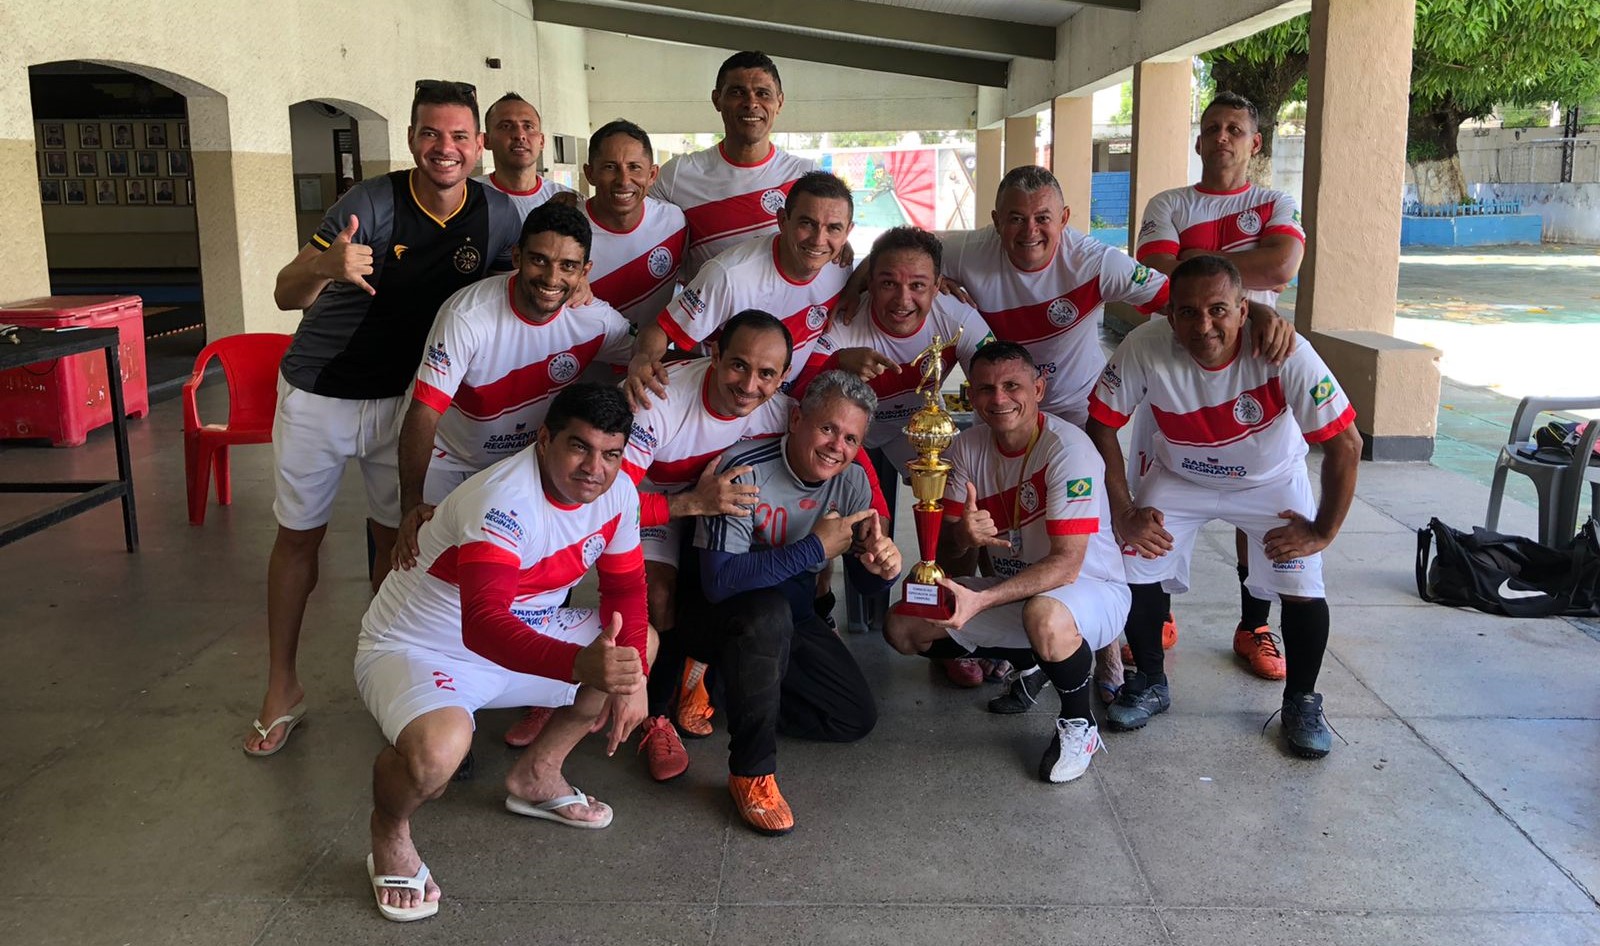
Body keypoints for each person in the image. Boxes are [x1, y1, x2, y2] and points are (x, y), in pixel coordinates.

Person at [245, 79, 521, 757]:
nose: (445, 148)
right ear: (411, 139)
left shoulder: (497, 215)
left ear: (480, 146)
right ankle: (281, 687)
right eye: (431, 133)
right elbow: (285, 294)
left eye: (459, 136)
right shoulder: (369, 203)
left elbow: (513, 295)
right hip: (321, 393)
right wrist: (324, 264)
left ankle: (387, 678)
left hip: (407, 403)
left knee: (397, 544)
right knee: (299, 539)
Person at [358, 384, 652, 922]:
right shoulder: (503, 499)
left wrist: (636, 679)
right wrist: (579, 664)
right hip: (422, 648)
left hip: (521, 633)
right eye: (579, 447)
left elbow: (626, 590)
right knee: (437, 756)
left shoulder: (619, 493)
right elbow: (483, 626)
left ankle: (539, 774)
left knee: (637, 647)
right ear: (544, 439)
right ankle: (389, 830)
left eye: (611, 454)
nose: (595, 469)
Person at [1084, 256, 1362, 758]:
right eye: (1188, 312)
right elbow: (1101, 424)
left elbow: (1346, 443)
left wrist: (1322, 531)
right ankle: (1149, 681)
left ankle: (1301, 701)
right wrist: (1124, 511)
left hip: (1269, 481)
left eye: (1218, 310)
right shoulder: (1145, 345)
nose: (1204, 325)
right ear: (1170, 315)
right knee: (1136, 562)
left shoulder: (1285, 351)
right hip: (1181, 474)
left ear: (1243, 310)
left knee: (1302, 582)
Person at [883, 342, 1129, 784]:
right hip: (1017, 595)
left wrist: (981, 601)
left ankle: (1079, 723)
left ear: (1038, 389)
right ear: (971, 395)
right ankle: (1035, 663)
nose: (999, 399)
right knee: (904, 625)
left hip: (1088, 592)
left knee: (1045, 615)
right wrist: (963, 535)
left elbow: (1066, 566)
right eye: (985, 388)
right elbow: (950, 558)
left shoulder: (1069, 450)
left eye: (1012, 386)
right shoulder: (966, 447)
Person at [1132, 91, 1308, 682]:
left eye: (1235, 128)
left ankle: (1254, 625)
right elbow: (1157, 280)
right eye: (1212, 127)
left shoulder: (1274, 201)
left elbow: (1282, 266)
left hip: (1256, 361)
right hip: (1176, 365)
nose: (1223, 137)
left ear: (1255, 142)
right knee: (1162, 488)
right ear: (1199, 139)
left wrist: (1193, 262)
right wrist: (1233, 284)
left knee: (1255, 494)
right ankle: (1158, 613)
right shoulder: (1169, 202)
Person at [681, 371, 897, 834]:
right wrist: (812, 549)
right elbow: (719, 582)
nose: (837, 447)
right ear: (797, 420)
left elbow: (866, 582)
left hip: (791, 614)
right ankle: (751, 771)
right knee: (767, 614)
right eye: (827, 428)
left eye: (851, 438)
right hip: (725, 612)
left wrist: (883, 568)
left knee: (852, 716)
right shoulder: (744, 469)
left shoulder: (853, 481)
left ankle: (720, 686)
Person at [392, 201, 634, 568]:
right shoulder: (467, 315)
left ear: (585, 271)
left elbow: (649, 356)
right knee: (425, 566)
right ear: (517, 256)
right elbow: (424, 412)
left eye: (568, 266)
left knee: (528, 569)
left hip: (525, 465)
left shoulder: (595, 319)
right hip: (448, 459)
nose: (552, 278)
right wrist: (411, 504)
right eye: (539, 260)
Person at [626, 170, 855, 407]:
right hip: (727, 403)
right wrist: (643, 359)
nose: (818, 240)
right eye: (807, 223)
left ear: (848, 231)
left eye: (833, 228)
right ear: (783, 221)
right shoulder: (729, 276)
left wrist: (854, 287)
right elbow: (661, 332)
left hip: (785, 405)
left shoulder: (840, 266)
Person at [650, 50, 816, 280]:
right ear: (717, 99)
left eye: (763, 93)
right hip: (707, 304)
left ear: (779, 102)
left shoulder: (806, 176)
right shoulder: (678, 174)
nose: (751, 103)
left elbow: (829, 243)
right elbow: (632, 230)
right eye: (738, 92)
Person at [581, 120, 688, 330]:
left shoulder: (674, 222)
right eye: (610, 167)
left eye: (634, 167)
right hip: (584, 351)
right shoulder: (565, 231)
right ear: (590, 173)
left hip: (651, 351)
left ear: (652, 175)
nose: (623, 180)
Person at [475, 92, 575, 218]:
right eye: (506, 126)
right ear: (486, 140)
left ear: (542, 141)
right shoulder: (465, 198)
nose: (519, 135)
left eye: (528, 126)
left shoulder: (569, 202)